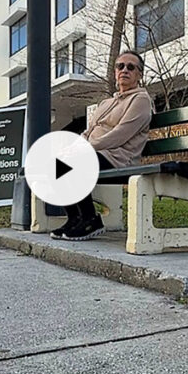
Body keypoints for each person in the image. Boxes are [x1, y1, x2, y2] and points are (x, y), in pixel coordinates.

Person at [53, 50, 153, 241]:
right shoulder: (106, 102)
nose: (124, 70)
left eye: (131, 67)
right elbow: (88, 131)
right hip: (96, 154)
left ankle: (91, 220)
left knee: (72, 163)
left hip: (119, 159)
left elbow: (121, 135)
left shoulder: (140, 100)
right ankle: (75, 219)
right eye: (120, 66)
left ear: (139, 74)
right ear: (115, 72)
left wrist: (86, 148)